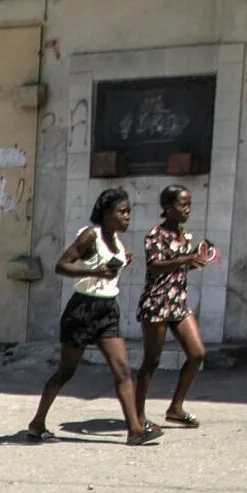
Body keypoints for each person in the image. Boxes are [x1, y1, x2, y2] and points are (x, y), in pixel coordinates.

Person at [16, 188, 149, 445]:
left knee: (122, 370)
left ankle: (135, 430)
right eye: (122, 212)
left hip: (108, 311)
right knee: (65, 372)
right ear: (106, 214)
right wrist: (95, 272)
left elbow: (106, 271)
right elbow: (62, 265)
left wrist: (119, 264)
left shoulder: (117, 242)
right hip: (82, 311)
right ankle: (37, 423)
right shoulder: (91, 235)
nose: (127, 217)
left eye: (129, 212)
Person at [132, 186, 216, 433]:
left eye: (189, 205)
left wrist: (197, 261)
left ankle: (175, 408)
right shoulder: (155, 235)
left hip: (178, 302)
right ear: (168, 207)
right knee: (152, 361)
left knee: (197, 353)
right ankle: (137, 414)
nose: (187, 210)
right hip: (157, 302)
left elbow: (181, 267)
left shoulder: (186, 236)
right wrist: (185, 260)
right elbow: (155, 266)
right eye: (183, 205)